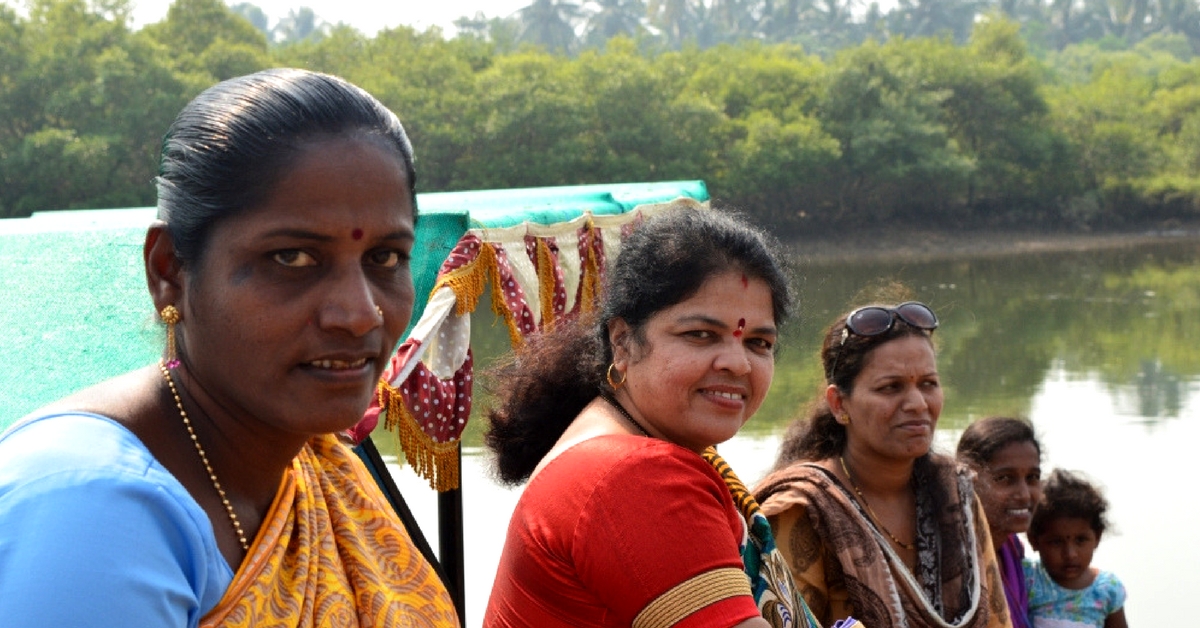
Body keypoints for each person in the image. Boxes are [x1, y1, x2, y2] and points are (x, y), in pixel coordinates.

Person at [0, 69, 459, 627]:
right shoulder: (87, 512)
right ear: (169, 271)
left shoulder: (313, 463)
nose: (361, 313)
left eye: (385, 258)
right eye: (292, 258)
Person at [482, 203, 818, 628]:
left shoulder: (629, 443)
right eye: (700, 335)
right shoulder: (632, 477)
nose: (739, 364)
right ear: (622, 343)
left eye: (759, 343)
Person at [754, 298, 1013, 628]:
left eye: (928, 384)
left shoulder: (956, 497)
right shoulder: (801, 511)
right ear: (838, 403)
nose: (918, 404)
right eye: (891, 387)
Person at [957, 416, 1044, 628]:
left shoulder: (1011, 546)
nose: (1024, 494)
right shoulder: (957, 561)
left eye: (1032, 478)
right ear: (971, 481)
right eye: (1005, 478)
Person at [1024, 470, 1127, 628]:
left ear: (1097, 537)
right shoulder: (1029, 579)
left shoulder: (1107, 590)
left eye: (1081, 540)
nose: (1070, 554)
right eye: (1056, 542)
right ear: (1034, 541)